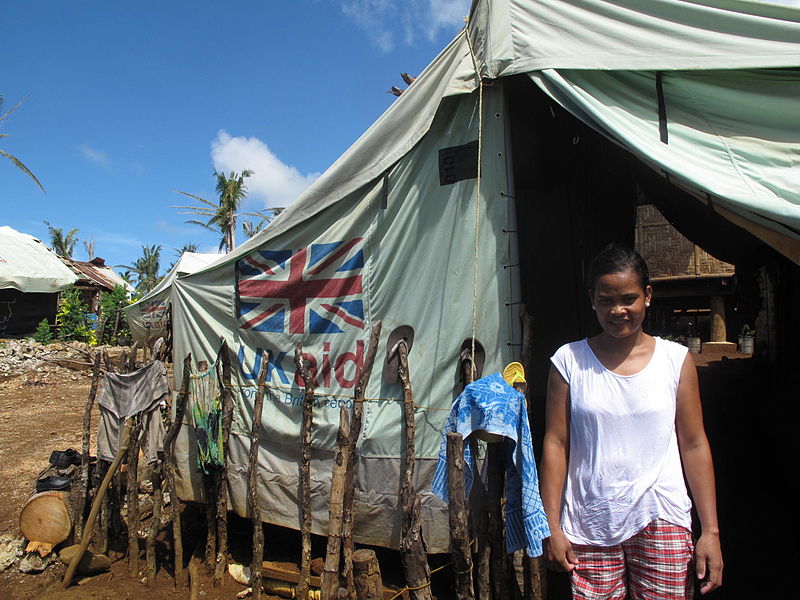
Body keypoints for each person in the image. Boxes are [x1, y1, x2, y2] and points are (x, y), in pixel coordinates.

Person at [540, 243, 723, 599]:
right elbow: (555, 443)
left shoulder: (675, 360)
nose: (618, 310)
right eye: (606, 300)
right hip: (591, 521)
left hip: (662, 515)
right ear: (591, 299)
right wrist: (552, 525)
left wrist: (711, 531)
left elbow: (694, 442)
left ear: (648, 296)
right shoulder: (569, 362)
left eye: (628, 298)